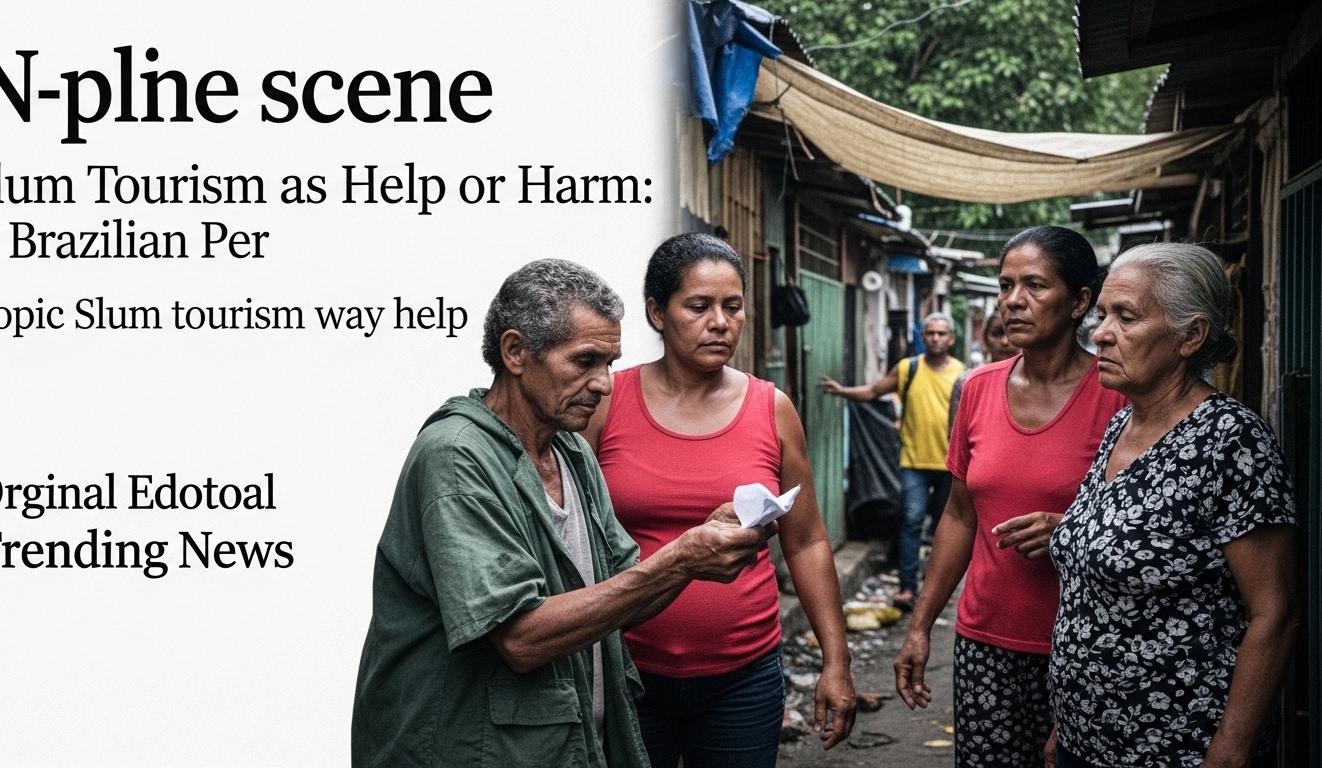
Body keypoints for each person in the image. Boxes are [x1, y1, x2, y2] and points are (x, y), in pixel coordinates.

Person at [351, 259, 777, 768]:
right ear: (515, 352)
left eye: (609, 363)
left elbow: (625, 588)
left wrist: (702, 541)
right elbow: (520, 638)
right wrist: (681, 560)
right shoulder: (456, 457)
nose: (602, 383)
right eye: (584, 361)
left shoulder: (570, 452)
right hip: (467, 750)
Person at [584, 233, 856, 767]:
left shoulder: (771, 408)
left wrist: (837, 661)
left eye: (733, 307)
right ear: (657, 313)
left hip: (744, 677)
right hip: (626, 671)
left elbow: (807, 542)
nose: (720, 322)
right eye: (699, 306)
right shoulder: (605, 402)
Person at [1047, 243, 1297, 768]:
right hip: (1084, 739)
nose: (1100, 333)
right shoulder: (1123, 423)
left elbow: (1274, 613)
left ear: (1191, 336)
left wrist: (1228, 753)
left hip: (1176, 747)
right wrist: (1066, 725)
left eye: (1126, 317)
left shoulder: (1230, 441)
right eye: (1102, 315)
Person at [893, 225, 1127, 767]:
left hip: (1085, 650)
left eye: (1035, 286)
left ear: (1080, 302)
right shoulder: (976, 388)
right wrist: (921, 626)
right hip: (985, 642)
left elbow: (1135, 530)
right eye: (1005, 286)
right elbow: (958, 515)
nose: (1013, 302)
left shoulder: (1115, 396)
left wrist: (1068, 530)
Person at [821, 312, 965, 608]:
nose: (935, 338)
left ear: (951, 339)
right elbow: (875, 391)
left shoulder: (963, 374)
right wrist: (843, 391)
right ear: (922, 337)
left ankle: (936, 590)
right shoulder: (908, 369)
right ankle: (907, 588)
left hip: (951, 465)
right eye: (930, 333)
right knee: (911, 521)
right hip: (913, 462)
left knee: (943, 529)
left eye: (941, 333)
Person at [949, 313, 1019, 434]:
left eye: (1012, 333)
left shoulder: (1039, 384)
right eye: (997, 334)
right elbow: (955, 441)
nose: (1005, 341)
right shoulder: (967, 382)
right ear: (985, 340)